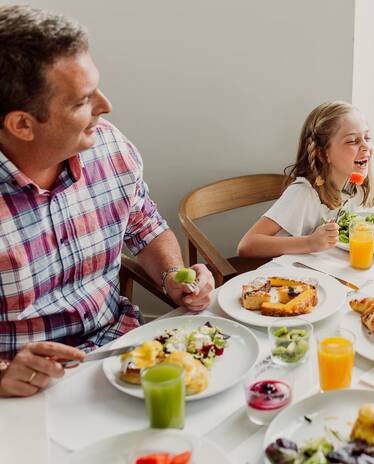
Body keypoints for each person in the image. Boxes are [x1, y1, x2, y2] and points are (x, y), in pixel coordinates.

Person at [0, 6, 214, 397]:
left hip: (122, 350)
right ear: (22, 124)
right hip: (26, 389)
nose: (106, 105)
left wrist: (173, 275)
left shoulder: (110, 146)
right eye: (82, 100)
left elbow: (147, 229)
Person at [237, 101, 374, 257]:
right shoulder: (303, 193)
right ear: (323, 154)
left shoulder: (357, 189)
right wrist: (310, 243)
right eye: (352, 141)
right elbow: (247, 245)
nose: (366, 146)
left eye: (367, 137)